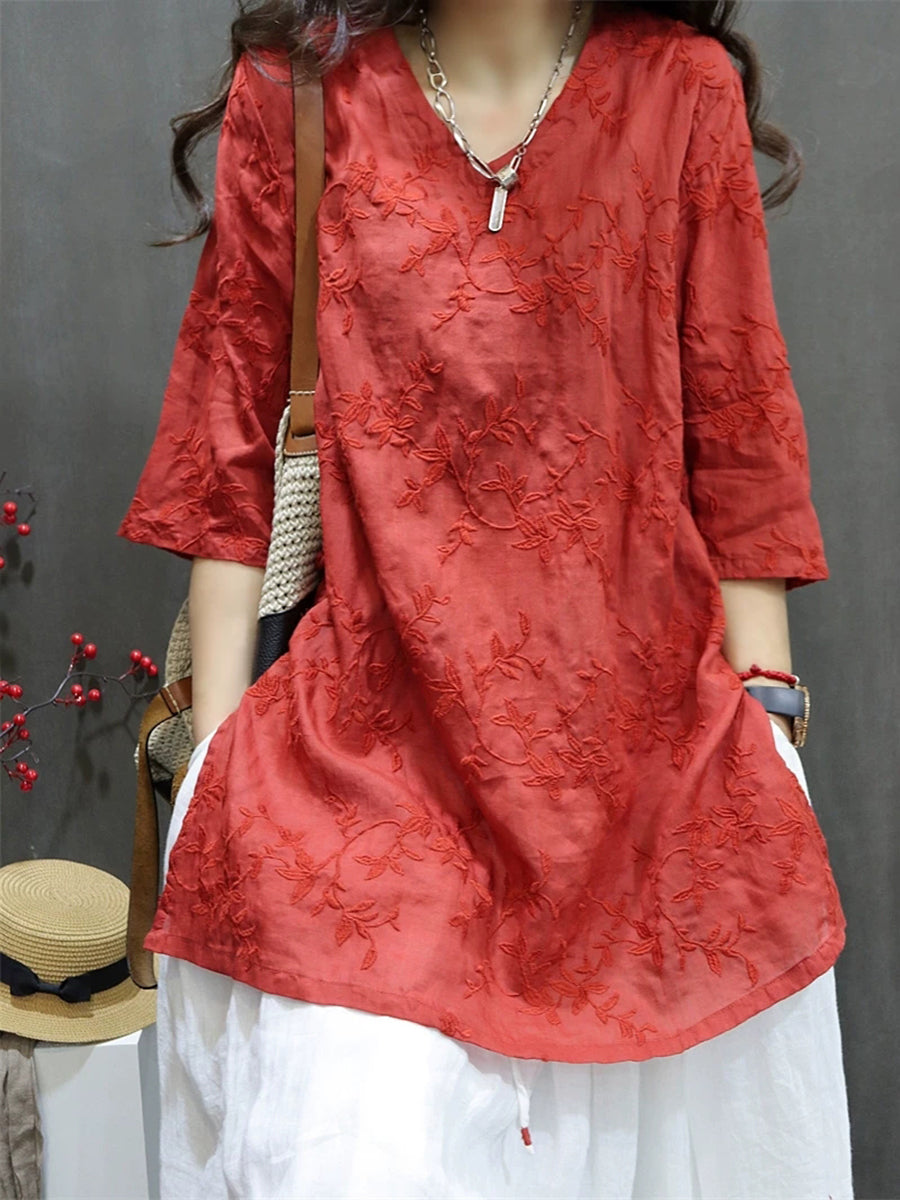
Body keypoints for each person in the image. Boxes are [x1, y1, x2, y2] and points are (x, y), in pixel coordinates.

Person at [118, 1, 854, 1195]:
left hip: (651, 786)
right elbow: (228, 454)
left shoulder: (682, 90)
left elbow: (742, 444)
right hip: (364, 778)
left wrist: (771, 728)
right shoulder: (301, 94)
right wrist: (216, 758)